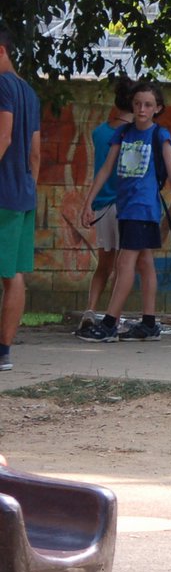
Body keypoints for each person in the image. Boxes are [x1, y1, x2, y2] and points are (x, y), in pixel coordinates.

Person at [77, 80, 171, 342]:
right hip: (125, 206)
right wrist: (88, 202)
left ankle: (109, 324)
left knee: (125, 262)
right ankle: (149, 323)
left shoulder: (160, 135)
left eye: (148, 104)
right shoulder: (123, 133)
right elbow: (106, 169)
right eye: (137, 103)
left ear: (157, 108)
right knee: (144, 262)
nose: (141, 108)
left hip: (143, 207)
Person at [81, 77, 134, 333]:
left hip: (101, 202)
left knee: (104, 264)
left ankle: (90, 310)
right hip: (126, 204)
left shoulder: (99, 131)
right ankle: (114, 316)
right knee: (124, 265)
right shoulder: (135, 132)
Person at [0, 26, 39, 372]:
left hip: (2, 195)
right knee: (13, 275)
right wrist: (28, 188)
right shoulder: (28, 91)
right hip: (23, 194)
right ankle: (4, 353)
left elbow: (4, 135)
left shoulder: (1, 86)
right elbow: (36, 154)